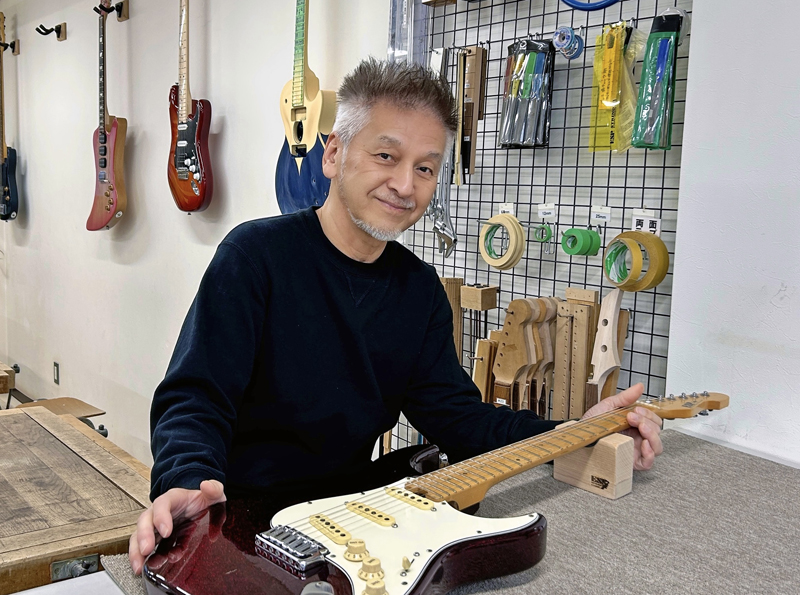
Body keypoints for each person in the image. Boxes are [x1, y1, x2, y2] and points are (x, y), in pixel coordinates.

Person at [129, 58, 663, 575]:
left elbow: (461, 420)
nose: (406, 186)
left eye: (425, 168)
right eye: (386, 156)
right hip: (240, 526)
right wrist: (185, 478)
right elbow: (195, 398)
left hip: (349, 524)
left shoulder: (418, 290)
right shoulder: (255, 256)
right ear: (333, 154)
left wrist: (575, 431)